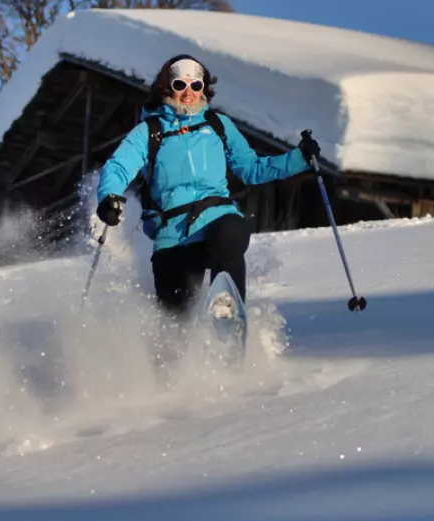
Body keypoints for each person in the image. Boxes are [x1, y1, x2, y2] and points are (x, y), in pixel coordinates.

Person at [95, 54, 320, 370]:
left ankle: (226, 321)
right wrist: (109, 197)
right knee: (174, 327)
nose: (188, 92)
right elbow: (119, 167)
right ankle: (169, 380)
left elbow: (252, 168)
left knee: (229, 234)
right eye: (180, 84)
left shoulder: (218, 125)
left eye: (195, 84)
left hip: (217, 216)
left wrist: (299, 159)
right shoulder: (149, 131)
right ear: (166, 87)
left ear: (204, 88)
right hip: (172, 233)